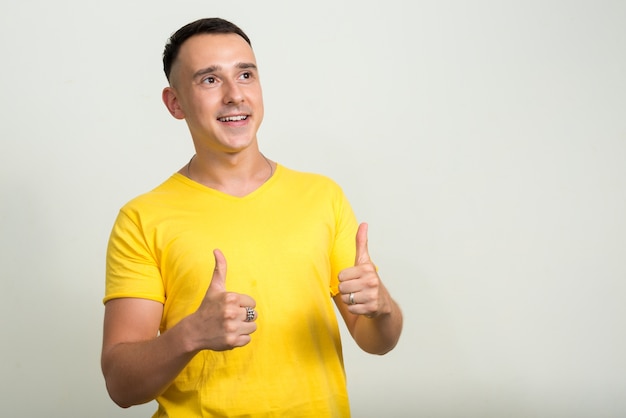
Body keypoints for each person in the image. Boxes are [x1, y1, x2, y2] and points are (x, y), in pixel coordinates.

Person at [101, 17, 403, 417]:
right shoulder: (142, 218)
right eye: (209, 80)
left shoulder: (322, 196)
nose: (234, 95)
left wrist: (381, 307)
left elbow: (376, 341)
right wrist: (190, 334)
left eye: (245, 75)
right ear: (175, 103)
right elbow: (121, 385)